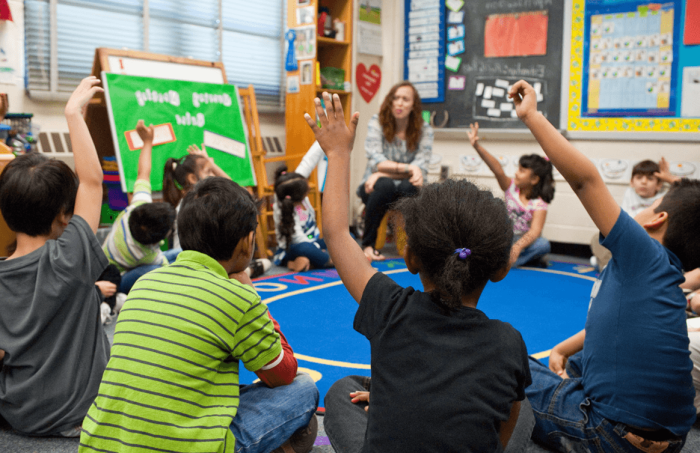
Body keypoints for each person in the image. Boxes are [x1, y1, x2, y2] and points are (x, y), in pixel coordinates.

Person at [305, 92, 533, 452]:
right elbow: (502, 432)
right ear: (501, 268)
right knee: (524, 406)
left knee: (341, 392)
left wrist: (337, 153)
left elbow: (335, 233)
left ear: (409, 257)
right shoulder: (509, 343)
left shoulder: (390, 308)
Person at [511, 79, 699, 452]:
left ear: (655, 219)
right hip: (672, 438)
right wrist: (563, 348)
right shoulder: (671, 281)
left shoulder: (643, 253)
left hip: (608, 434)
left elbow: (585, 180)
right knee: (578, 358)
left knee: (506, 361)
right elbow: (608, 331)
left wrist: (532, 116)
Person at [80, 177, 320, 453]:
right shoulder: (237, 298)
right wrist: (252, 295)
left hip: (103, 443)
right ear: (248, 240)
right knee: (302, 389)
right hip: (186, 446)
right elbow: (283, 374)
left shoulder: (144, 283)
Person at [0, 76, 110, 436]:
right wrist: (73, 114)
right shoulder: (70, 257)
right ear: (64, 215)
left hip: (20, 414)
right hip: (80, 413)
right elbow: (93, 182)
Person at [163, 144, 271, 277]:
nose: (213, 175)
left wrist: (208, 162)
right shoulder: (200, 204)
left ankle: (240, 272)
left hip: (192, 263)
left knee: (263, 263)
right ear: (192, 178)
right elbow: (239, 194)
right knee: (252, 265)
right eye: (209, 171)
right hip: (192, 263)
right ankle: (241, 273)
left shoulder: (191, 202)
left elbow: (237, 193)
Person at [358, 81, 433, 262]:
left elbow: (419, 170)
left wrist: (382, 172)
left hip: (405, 186)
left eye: (405, 99)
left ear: (413, 105)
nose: (399, 103)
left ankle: (413, 247)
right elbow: (378, 160)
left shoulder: (425, 130)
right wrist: (406, 169)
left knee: (410, 187)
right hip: (374, 186)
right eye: (396, 98)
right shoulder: (377, 122)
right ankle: (368, 246)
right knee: (384, 186)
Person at [102, 120, 178, 293]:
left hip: (125, 260)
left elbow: (143, 173)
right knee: (160, 271)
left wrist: (147, 142)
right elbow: (169, 269)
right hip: (117, 280)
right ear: (158, 239)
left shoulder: (134, 210)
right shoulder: (146, 254)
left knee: (183, 253)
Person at [467, 122, 555, 267]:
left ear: (534, 179)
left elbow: (534, 232)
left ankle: (505, 262)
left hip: (524, 241)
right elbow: (497, 169)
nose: (516, 173)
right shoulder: (511, 187)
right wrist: (477, 146)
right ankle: (515, 260)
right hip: (505, 237)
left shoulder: (539, 203)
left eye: (521, 171)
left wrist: (518, 247)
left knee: (543, 245)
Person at [590, 158, 681, 270]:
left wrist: (670, 178)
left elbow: (686, 189)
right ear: (632, 182)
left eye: (650, 178)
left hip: (651, 242)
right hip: (629, 238)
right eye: (639, 177)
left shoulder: (664, 197)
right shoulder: (630, 193)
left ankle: (612, 264)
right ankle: (607, 264)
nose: (644, 181)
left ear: (659, 185)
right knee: (597, 238)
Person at [272, 164, 331, 272]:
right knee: (305, 248)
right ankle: (329, 261)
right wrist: (318, 249)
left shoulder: (304, 200)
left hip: (313, 242)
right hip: (293, 248)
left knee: (344, 237)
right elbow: (298, 239)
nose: (309, 188)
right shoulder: (282, 208)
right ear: (297, 195)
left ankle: (307, 262)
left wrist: (317, 245)